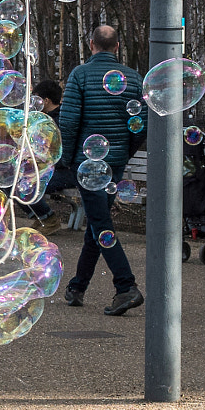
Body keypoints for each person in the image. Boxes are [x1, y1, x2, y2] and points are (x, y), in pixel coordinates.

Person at [56, 24, 143, 316]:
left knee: (102, 224)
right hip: (114, 161)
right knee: (97, 223)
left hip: (88, 162)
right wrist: (123, 154)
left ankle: (125, 286)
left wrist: (66, 158)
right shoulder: (133, 78)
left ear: (90, 44)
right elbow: (139, 125)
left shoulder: (80, 75)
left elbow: (67, 123)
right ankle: (78, 286)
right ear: (117, 47)